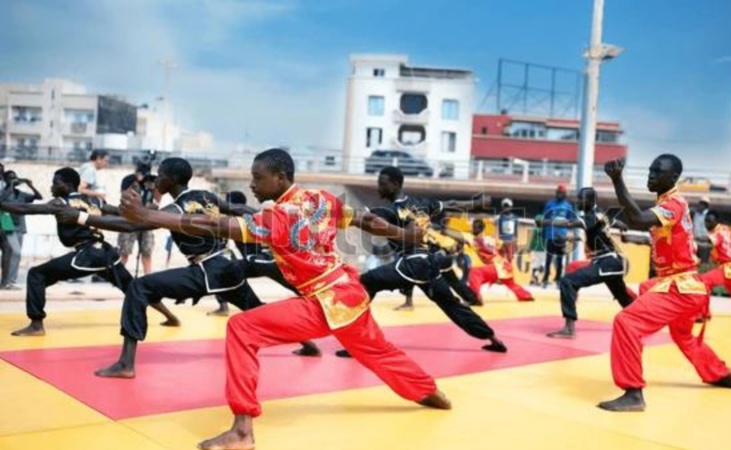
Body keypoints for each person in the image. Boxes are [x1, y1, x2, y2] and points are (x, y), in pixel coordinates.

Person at [117, 148, 451, 450]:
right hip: (350, 295)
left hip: (326, 299)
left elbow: (214, 226)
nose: (253, 185)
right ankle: (432, 392)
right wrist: (405, 234)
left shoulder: (279, 218)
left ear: (281, 178)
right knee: (380, 352)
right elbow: (366, 220)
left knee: (242, 328)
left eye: (258, 178)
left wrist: (150, 217)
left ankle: (242, 432)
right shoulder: (320, 199)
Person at [61, 158, 264, 378]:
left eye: (161, 175)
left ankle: (126, 364)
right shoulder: (208, 196)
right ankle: (308, 343)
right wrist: (271, 219)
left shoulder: (174, 209)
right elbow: (241, 208)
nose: (157, 179)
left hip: (207, 269)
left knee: (139, 287)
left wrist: (80, 217)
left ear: (173, 179)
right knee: (259, 311)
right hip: (228, 266)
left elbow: (131, 226)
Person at [597, 155, 731, 412]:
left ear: (673, 178)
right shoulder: (667, 205)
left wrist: (618, 180)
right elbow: (645, 225)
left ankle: (633, 393)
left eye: (657, 172)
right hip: (684, 286)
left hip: (680, 287)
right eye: (650, 170)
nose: (650, 175)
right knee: (681, 333)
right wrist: (626, 223)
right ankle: (718, 373)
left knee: (626, 322)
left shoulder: (674, 203)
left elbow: (639, 218)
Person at [334, 166, 507, 354]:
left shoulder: (389, 211)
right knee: (452, 305)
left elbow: (363, 217)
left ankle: (360, 343)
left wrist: (331, 212)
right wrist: (477, 203)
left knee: (366, 282)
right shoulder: (422, 203)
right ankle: (493, 338)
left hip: (412, 264)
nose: (379, 188)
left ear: (395, 184)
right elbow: (451, 203)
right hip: (430, 265)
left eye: (382, 185)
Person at [1, 167, 178, 336]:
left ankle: (36, 325)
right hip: (106, 254)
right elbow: (120, 212)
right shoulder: (95, 201)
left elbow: (27, 209)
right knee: (133, 287)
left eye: (56, 183)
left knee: (36, 275)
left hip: (87, 255)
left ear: (68, 185)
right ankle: (170, 317)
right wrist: (147, 212)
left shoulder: (61, 202)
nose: (52, 186)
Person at [544, 187, 636, 339]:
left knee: (568, 281)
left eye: (581, 199)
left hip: (606, 262)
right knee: (623, 298)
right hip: (612, 262)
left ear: (589, 201)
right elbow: (618, 222)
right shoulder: (600, 213)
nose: (577, 201)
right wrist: (623, 229)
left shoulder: (591, 216)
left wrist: (545, 221)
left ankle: (569, 329)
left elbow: (569, 223)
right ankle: (643, 319)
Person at [447, 219, 534, 305]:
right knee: (511, 284)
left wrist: (442, 230)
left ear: (473, 228)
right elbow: (504, 246)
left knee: (475, 274)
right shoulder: (491, 239)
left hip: (494, 268)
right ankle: (525, 295)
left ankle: (475, 297)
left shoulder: (472, 238)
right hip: (504, 267)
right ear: (484, 228)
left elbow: (456, 235)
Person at [1, 171, 42, 289]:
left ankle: (10, 281)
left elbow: (39, 197)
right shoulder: (4, 192)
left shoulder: (21, 194)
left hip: (20, 227)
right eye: (10, 178)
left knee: (16, 255)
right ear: (5, 180)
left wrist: (30, 185)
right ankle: (7, 281)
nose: (13, 180)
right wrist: (9, 186)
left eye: (15, 178)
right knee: (14, 252)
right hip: (7, 225)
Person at [118, 162, 157, 275]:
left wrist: (152, 187)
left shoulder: (151, 181)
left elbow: (156, 201)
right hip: (129, 219)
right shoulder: (129, 180)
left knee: (147, 251)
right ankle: (118, 275)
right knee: (124, 250)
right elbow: (124, 197)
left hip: (146, 220)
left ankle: (148, 276)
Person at [541, 184, 574, 288]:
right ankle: (545, 279)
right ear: (556, 193)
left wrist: (568, 234)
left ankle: (558, 279)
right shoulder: (549, 204)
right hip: (550, 235)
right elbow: (544, 219)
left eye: (562, 193)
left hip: (561, 237)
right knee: (548, 259)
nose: (560, 194)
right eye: (558, 193)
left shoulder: (568, 206)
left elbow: (570, 220)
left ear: (565, 194)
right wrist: (543, 234)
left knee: (560, 260)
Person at [497, 198, 519, 263]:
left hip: (511, 241)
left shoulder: (514, 218)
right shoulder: (501, 218)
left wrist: (515, 241)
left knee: (510, 258)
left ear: (511, 207)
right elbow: (500, 230)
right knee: (501, 257)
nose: (506, 208)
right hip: (503, 241)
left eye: (507, 206)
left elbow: (515, 230)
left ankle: (510, 269)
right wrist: (500, 240)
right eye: (505, 206)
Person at [693, 196, 711, 263]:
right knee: (695, 261)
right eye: (700, 203)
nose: (701, 205)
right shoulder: (695, 214)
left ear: (706, 206)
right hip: (696, 241)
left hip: (705, 242)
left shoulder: (709, 215)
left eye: (703, 204)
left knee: (704, 262)